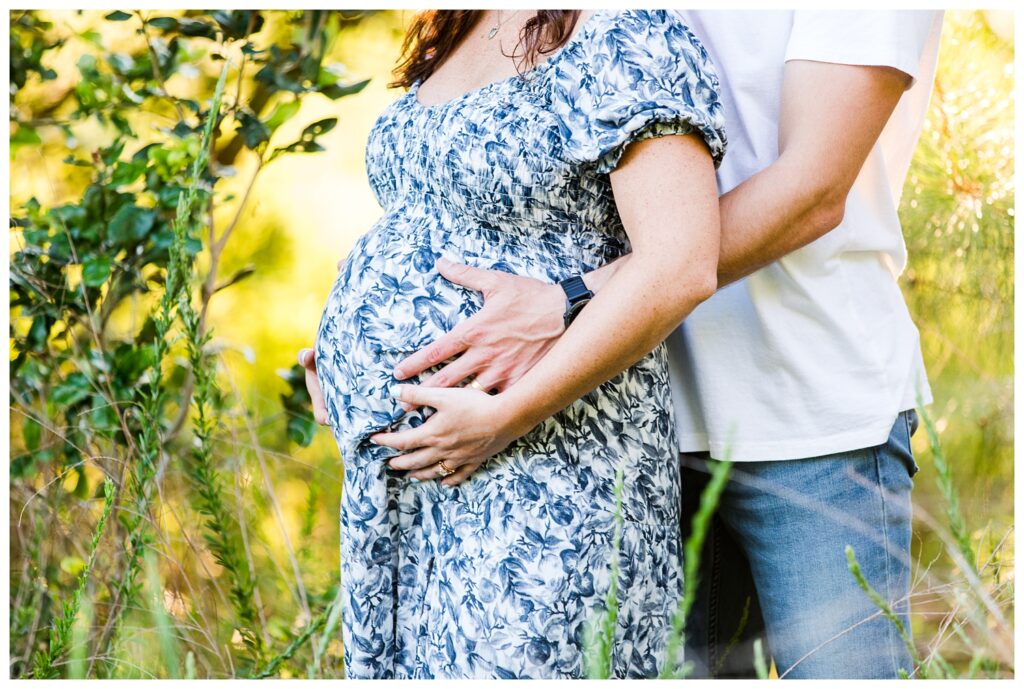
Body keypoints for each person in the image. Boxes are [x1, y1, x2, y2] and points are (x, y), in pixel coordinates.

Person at [302, 9, 945, 679]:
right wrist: (361, 346)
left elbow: (812, 189)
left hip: (803, 417)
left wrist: (576, 294)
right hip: (626, 419)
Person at [311, 9, 726, 679]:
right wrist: (341, 349)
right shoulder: (468, 18)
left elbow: (680, 263)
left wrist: (508, 414)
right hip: (423, 478)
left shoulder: (629, 28)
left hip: (546, 465)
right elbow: (433, 213)